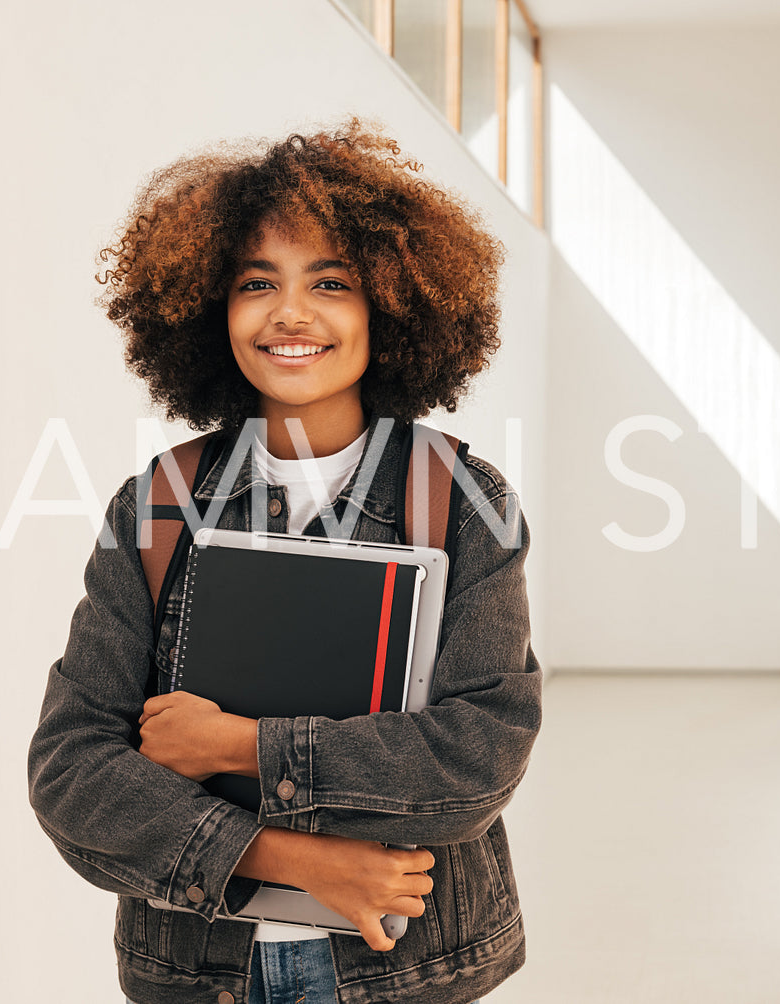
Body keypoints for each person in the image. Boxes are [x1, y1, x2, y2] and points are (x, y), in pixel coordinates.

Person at [27, 118, 541, 1004]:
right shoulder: (155, 503)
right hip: (197, 969)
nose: (290, 314)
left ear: (391, 304)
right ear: (209, 309)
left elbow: (476, 758)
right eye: (255, 282)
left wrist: (231, 746)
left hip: (403, 968)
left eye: (331, 282)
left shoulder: (459, 500)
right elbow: (73, 773)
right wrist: (286, 855)